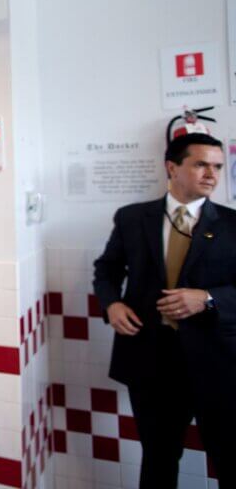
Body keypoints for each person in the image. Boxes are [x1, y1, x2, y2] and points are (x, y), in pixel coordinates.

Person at [93, 132, 234, 487]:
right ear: (172, 167)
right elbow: (106, 269)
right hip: (151, 361)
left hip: (218, 363)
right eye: (201, 164)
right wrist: (112, 304)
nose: (212, 174)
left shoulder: (233, 225)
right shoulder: (132, 218)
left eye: (217, 166)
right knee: (158, 459)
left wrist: (208, 298)